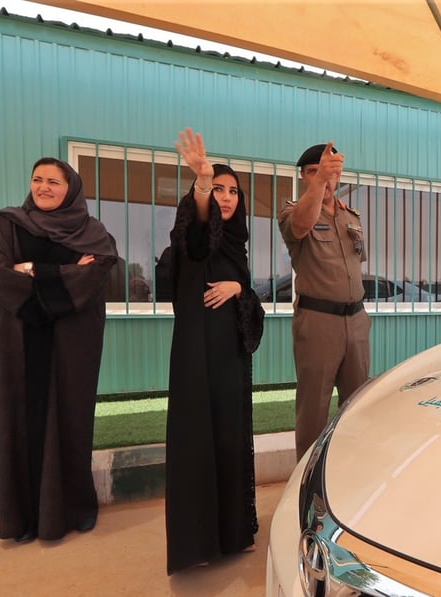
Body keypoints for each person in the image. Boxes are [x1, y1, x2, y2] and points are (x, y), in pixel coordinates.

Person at [0, 157, 118, 543]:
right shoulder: (5, 223)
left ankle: (73, 510)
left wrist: (30, 268)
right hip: (16, 341)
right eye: (37, 179)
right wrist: (58, 275)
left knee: (71, 420)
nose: (44, 187)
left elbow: (98, 272)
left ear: (70, 188)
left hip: (72, 343)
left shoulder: (93, 231)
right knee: (15, 421)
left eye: (54, 181)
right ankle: (23, 520)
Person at [165, 128, 265, 574]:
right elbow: (198, 237)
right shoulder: (195, 237)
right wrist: (201, 182)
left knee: (229, 438)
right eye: (218, 190)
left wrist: (239, 286)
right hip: (196, 362)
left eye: (232, 191)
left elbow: (253, 307)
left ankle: (232, 533)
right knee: (199, 440)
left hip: (229, 361)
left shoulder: (237, 247)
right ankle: (199, 542)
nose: (226, 197)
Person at [278, 141, 371, 459]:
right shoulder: (293, 211)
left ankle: (350, 477)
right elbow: (302, 226)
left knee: (358, 407)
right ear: (304, 177)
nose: (324, 178)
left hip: (356, 321)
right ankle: (306, 490)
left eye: (329, 172)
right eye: (314, 172)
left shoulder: (351, 217)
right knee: (314, 413)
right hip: (319, 324)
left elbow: (356, 264)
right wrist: (319, 184)